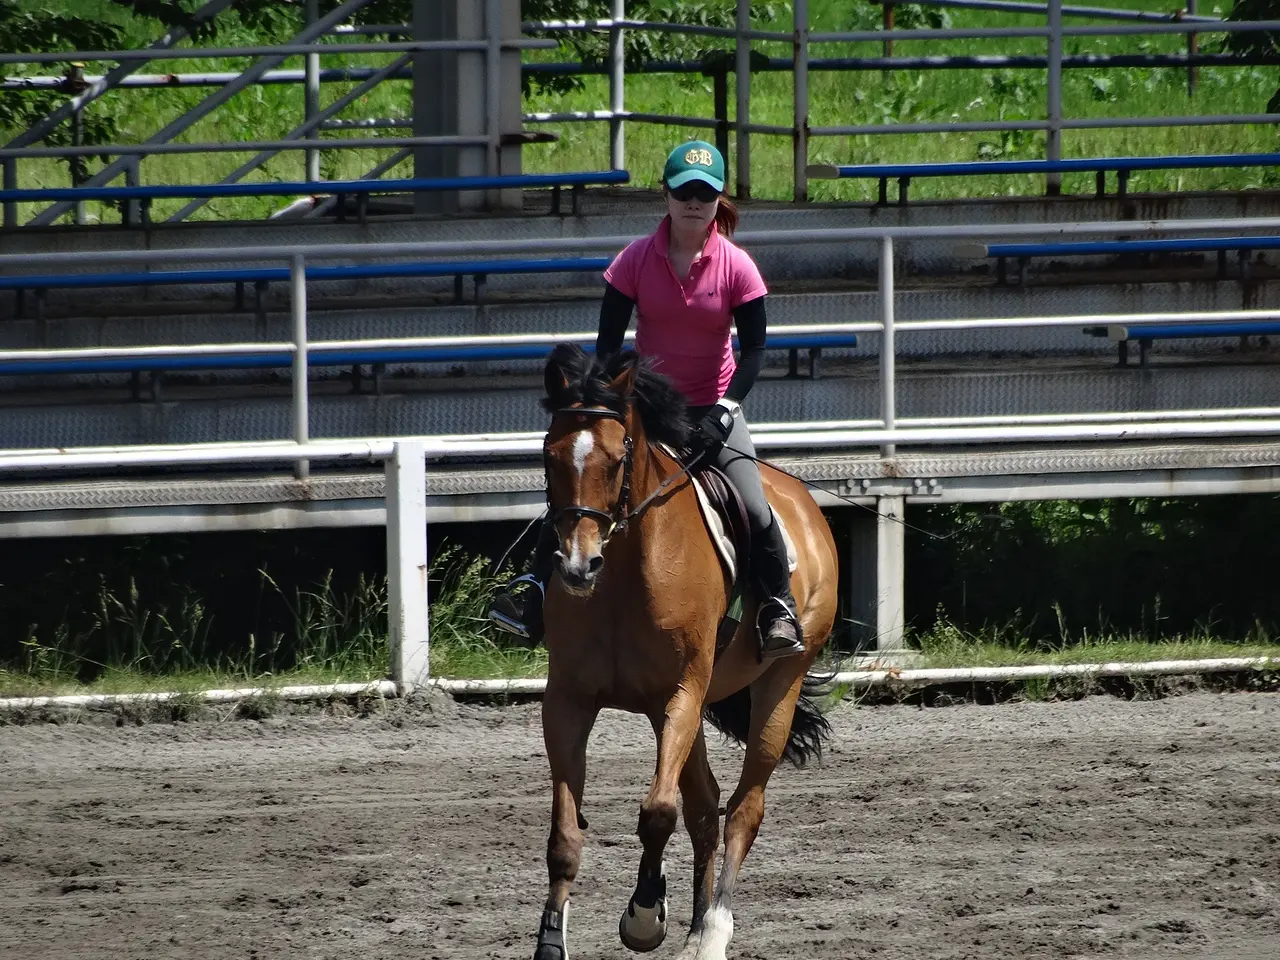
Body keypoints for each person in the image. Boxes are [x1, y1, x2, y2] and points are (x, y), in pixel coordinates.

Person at [488, 139, 803, 659]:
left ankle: (777, 608)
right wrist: (606, 405)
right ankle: (534, 592)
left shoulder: (738, 267)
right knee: (583, 488)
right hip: (648, 410)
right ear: (666, 195)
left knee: (752, 503)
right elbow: (608, 345)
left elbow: (756, 350)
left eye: (704, 194)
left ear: (718, 198)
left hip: (713, 411)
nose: (694, 203)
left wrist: (727, 409)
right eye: (684, 192)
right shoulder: (634, 259)